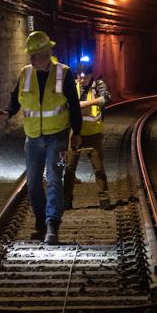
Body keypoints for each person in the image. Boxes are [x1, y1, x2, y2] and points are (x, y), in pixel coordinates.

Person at [0, 31, 82, 245]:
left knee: (53, 178)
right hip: (33, 137)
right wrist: (7, 112)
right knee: (32, 183)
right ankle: (40, 221)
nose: (30, 59)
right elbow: (16, 99)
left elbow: (74, 106)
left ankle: (52, 225)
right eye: (30, 55)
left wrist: (76, 133)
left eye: (34, 55)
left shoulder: (64, 73)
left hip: (57, 135)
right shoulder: (26, 73)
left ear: (45, 54)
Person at [63, 61, 113, 210]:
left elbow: (106, 98)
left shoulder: (98, 85)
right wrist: (89, 104)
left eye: (85, 76)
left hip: (93, 134)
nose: (82, 79)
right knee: (70, 168)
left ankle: (104, 199)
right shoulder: (73, 86)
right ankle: (66, 200)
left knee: (98, 168)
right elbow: (65, 104)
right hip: (75, 134)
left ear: (91, 74)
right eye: (79, 76)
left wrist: (81, 105)